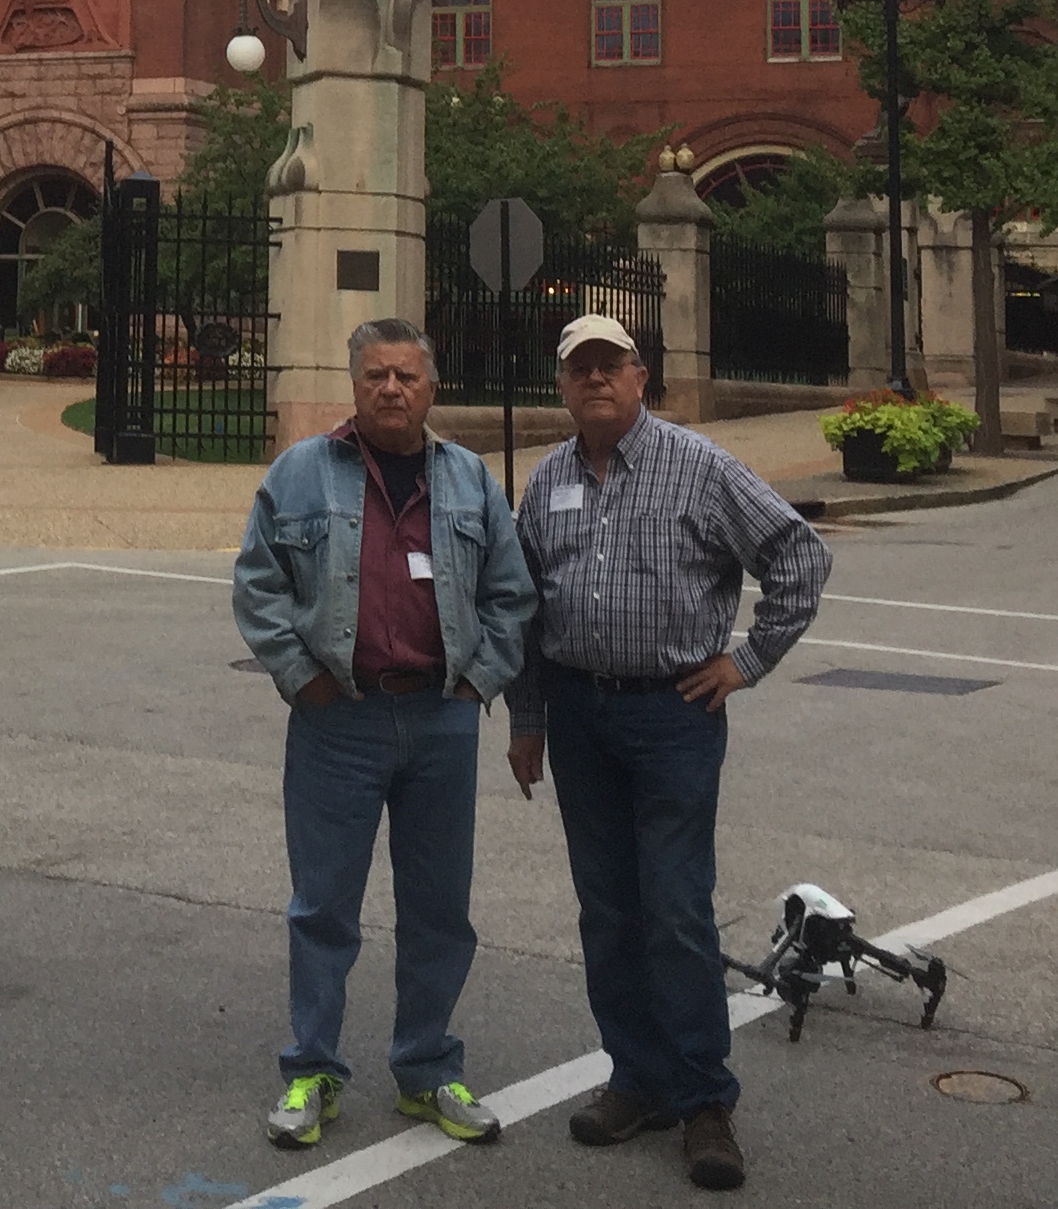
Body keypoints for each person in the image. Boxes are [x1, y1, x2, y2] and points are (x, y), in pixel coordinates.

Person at [505, 314, 829, 1192]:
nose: (595, 379)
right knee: (607, 910)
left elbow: (799, 557)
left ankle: (703, 1100)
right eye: (579, 368)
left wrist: (746, 661)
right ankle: (638, 1079)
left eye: (610, 365)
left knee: (676, 910)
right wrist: (528, 719)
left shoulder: (700, 466)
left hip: (672, 714)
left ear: (640, 377)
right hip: (579, 714)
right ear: (561, 385)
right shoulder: (548, 479)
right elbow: (525, 608)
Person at [233, 317, 539, 1152]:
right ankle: (313, 1071)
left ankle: (427, 1069)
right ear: (355, 386)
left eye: (406, 376)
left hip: (440, 719)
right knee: (323, 907)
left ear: (431, 388)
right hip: (338, 719)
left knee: (439, 910)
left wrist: (477, 682)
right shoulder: (300, 472)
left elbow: (511, 595)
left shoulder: (469, 478)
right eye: (376, 376)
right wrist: (304, 678)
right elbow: (257, 585)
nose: (392, 389)